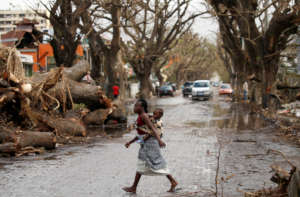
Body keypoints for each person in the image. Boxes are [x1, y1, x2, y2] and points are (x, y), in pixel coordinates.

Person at [123, 99, 178, 194]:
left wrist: (159, 140)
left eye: (137, 106)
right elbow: (142, 133)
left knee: (156, 163)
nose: (134, 108)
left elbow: (152, 129)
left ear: (142, 107)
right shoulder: (141, 116)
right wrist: (130, 142)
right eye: (135, 106)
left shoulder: (144, 116)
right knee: (142, 164)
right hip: (146, 143)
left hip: (151, 144)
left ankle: (173, 181)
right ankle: (134, 187)